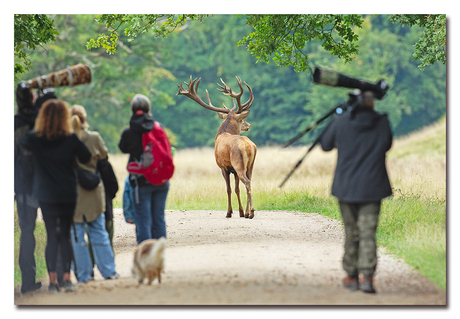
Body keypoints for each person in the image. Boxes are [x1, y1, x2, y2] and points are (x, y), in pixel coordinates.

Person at [320, 90, 393, 294]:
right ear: (372, 104)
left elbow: (325, 145)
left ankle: (351, 276)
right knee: (368, 233)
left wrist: (337, 116)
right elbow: (387, 145)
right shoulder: (382, 122)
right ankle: (368, 277)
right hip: (373, 186)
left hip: (346, 186)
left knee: (352, 232)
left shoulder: (342, 122)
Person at [20, 99, 92, 293]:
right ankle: (67, 279)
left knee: (52, 235)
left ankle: (52, 282)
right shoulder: (70, 138)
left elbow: (23, 141)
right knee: (66, 234)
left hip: (45, 193)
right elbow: (86, 156)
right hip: (67, 192)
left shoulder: (36, 139)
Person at [69, 105, 119, 283]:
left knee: (77, 236)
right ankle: (109, 271)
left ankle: (83, 275)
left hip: (73, 192)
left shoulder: (65, 139)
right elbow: (104, 161)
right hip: (94, 191)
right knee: (99, 231)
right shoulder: (94, 137)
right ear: (84, 119)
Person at [118, 94, 170, 243]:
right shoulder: (158, 128)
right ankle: (159, 260)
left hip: (141, 183)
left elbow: (122, 148)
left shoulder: (128, 132)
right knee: (159, 219)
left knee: (143, 222)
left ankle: (146, 261)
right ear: (149, 109)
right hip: (161, 181)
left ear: (132, 109)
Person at [14, 83, 42, 294]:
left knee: (27, 231)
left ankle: (28, 280)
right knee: (56, 228)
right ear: (32, 98)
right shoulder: (43, 120)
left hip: (24, 185)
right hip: (46, 182)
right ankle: (59, 276)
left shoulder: (13, 124)